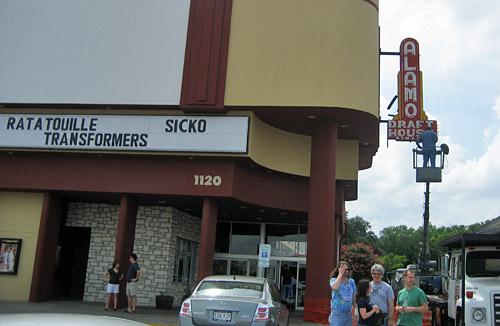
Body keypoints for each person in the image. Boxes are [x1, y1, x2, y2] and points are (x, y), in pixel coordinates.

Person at [329, 261, 357, 326]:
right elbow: (335, 287)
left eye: (347, 269)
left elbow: (354, 296)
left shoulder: (351, 281)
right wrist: (340, 274)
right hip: (337, 312)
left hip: (348, 312)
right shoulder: (333, 280)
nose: (345, 271)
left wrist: (356, 310)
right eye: (344, 269)